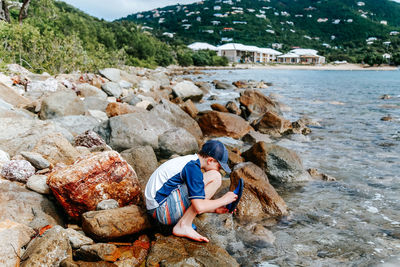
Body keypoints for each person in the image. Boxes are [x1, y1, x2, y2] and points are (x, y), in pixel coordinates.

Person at [144, 139, 238, 242]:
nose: (219, 170)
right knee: (215, 177)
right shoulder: (192, 168)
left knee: (201, 186)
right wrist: (224, 200)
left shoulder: (190, 161)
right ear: (210, 160)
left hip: (156, 207)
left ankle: (184, 223)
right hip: (161, 211)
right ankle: (183, 225)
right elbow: (199, 207)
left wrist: (215, 209)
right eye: (219, 166)